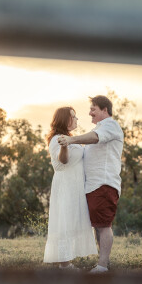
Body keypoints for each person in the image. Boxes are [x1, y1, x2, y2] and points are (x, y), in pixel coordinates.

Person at [58, 95, 124, 273]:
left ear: (105, 110)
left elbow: (95, 138)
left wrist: (71, 140)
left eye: (93, 109)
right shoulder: (100, 127)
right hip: (94, 186)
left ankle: (102, 266)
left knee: (103, 225)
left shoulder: (110, 125)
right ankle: (103, 262)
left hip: (104, 184)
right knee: (98, 224)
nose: (89, 113)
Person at [43, 107, 98, 268]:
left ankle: (67, 261)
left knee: (72, 221)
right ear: (64, 119)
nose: (76, 119)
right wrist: (65, 146)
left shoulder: (69, 138)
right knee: (64, 222)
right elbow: (64, 160)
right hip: (65, 186)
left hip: (75, 186)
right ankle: (65, 265)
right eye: (73, 116)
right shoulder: (57, 139)